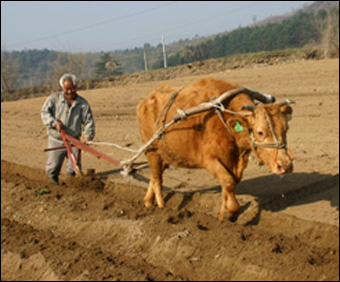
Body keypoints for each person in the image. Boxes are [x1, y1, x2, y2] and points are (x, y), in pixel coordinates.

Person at [41, 73, 95, 184]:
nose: (70, 91)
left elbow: (88, 121)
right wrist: (54, 123)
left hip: (73, 139)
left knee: (74, 167)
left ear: (76, 87)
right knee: (53, 166)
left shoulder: (82, 104)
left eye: (72, 88)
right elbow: (45, 112)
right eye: (67, 89)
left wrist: (88, 136)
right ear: (62, 88)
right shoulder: (54, 99)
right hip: (57, 139)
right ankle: (53, 181)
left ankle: (72, 183)